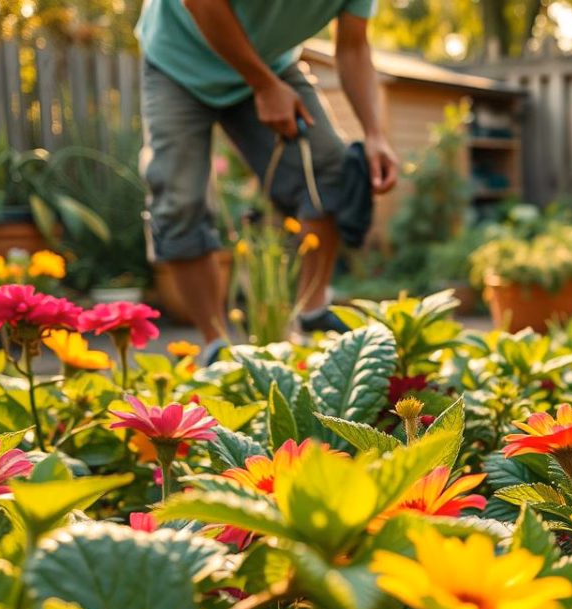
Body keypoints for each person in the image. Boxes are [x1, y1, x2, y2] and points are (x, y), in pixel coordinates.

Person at [136, 0, 400, 362]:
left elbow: (353, 46)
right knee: (178, 198)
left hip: (271, 64)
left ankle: (311, 312)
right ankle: (217, 347)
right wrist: (262, 84)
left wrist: (375, 134)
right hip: (178, 61)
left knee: (330, 167)